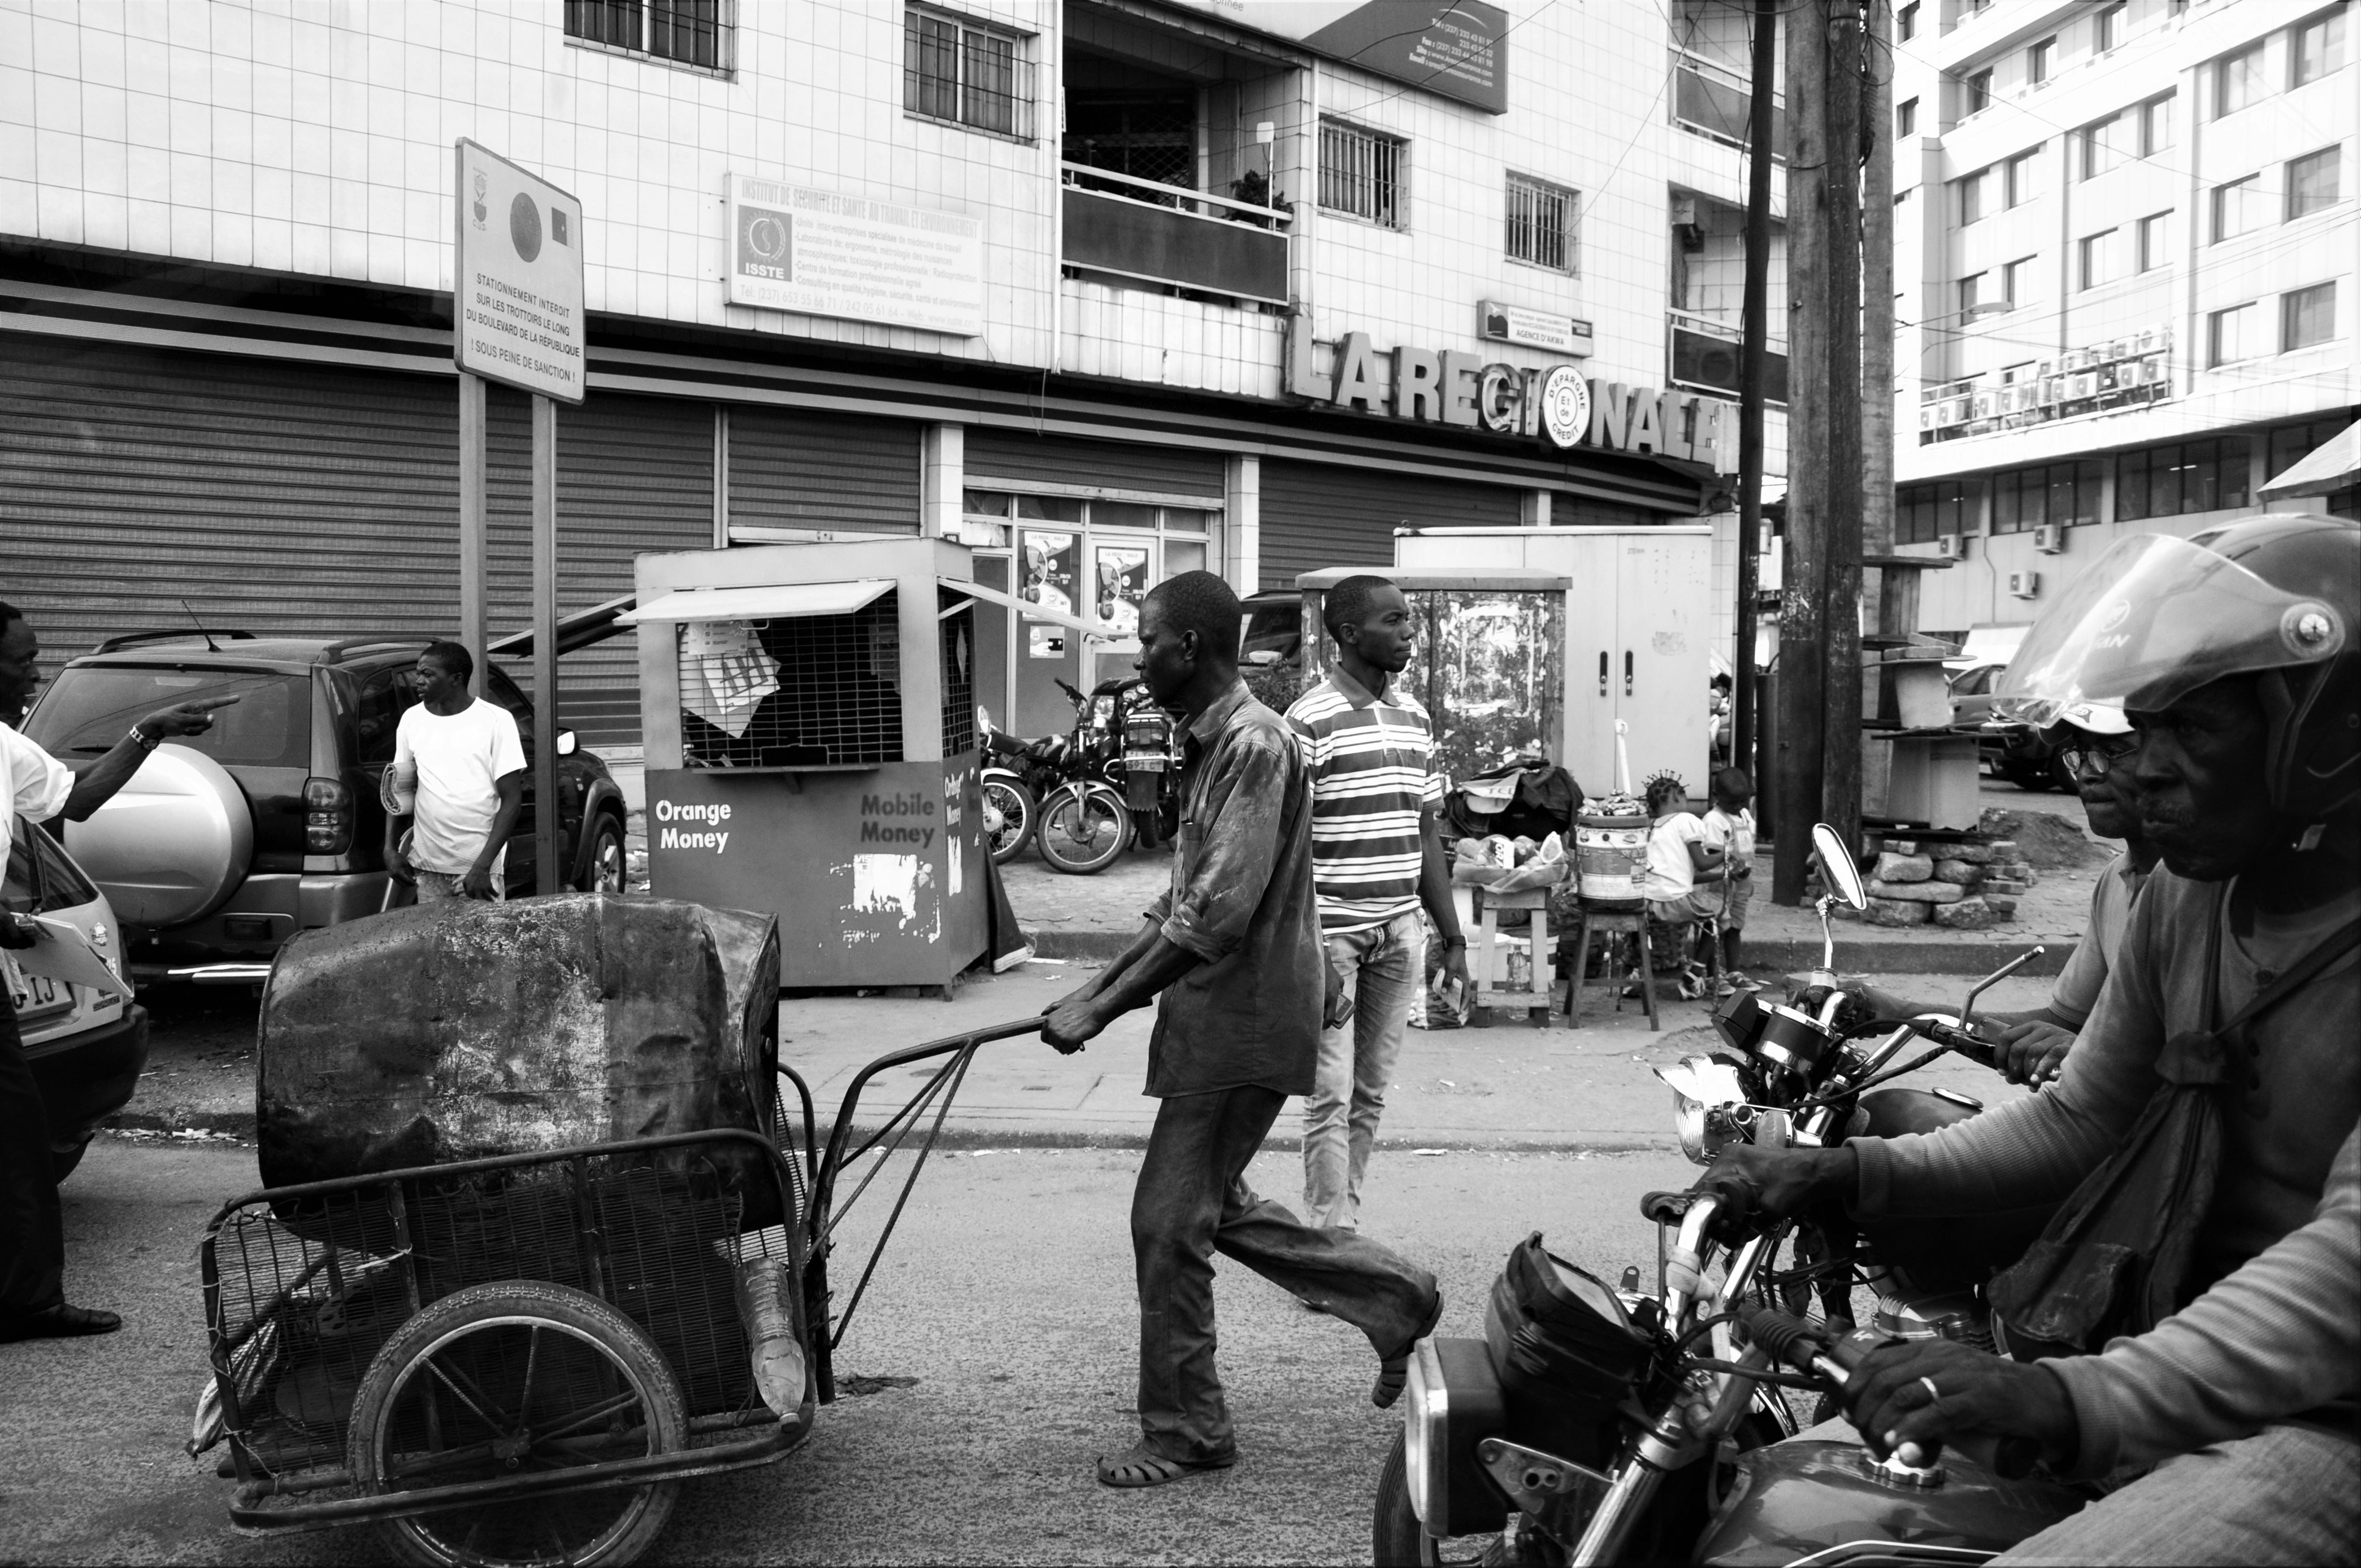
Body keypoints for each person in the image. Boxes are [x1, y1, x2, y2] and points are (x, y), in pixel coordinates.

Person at [1696, 516, 2360, 1564]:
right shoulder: (2185, 899)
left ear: (2328, 731)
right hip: (2161, 1342)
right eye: (2143, 728)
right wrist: (1838, 1170)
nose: (2144, 771)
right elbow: (2080, 1116)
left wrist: (2067, 1397)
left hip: (2324, 1419)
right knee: (1799, 1509)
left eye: (2191, 728)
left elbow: (2345, 1266)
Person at [1040, 571, 1442, 1489]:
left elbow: (1214, 914)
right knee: (1210, 1206)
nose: (1139, 656)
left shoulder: (1255, 743)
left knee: (1165, 1222)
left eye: (1147, 640)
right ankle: (1392, 1294)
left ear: (1187, 646)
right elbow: (1178, 899)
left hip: (1244, 1015)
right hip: (1222, 1013)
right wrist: (1095, 987)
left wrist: (1101, 1007)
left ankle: (1187, 1428)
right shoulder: (1217, 740)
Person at [1, 600, 237, 1341]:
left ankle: (27, 1300)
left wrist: (148, 732)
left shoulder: (5, 747)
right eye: (22, 660)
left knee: (17, 1136)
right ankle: (26, 1302)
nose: (33, 673)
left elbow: (77, 798)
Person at [1284, 575, 1470, 1233]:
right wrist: (1310, 951)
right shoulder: (1307, 721)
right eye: (1392, 621)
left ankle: (1344, 1225)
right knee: (1328, 1095)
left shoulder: (1415, 718)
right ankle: (1327, 1235)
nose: (1408, 632)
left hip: (1399, 932)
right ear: (1347, 634)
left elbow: (1425, 832)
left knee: (1368, 1093)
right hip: (1331, 937)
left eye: (1408, 620)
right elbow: (1286, 848)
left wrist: (1453, 937)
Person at [1865, 701, 2159, 1085]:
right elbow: (2063, 1022)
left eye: (2112, 752)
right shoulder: (2114, 881)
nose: (2088, 773)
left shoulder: (2206, 894)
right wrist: (1905, 1013)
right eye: (2081, 756)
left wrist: (2089, 1053)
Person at [385, 641, 524, 903]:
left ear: (456, 679)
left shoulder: (496, 721)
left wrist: (483, 866)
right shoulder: (412, 720)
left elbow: (512, 801)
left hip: (477, 869)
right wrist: (390, 849)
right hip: (427, 866)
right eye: (418, 673)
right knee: (433, 933)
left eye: (428, 674)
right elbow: (399, 789)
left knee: (481, 932)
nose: (419, 681)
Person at [1640, 770, 1724, 994]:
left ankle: (1638, 970)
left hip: (1648, 903)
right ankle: (1696, 971)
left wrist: (1722, 874)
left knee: (1705, 904)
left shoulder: (1651, 828)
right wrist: (1726, 853)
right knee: (1721, 912)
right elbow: (1703, 863)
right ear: (1677, 797)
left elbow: (1684, 875)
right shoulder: (1686, 820)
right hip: (1675, 902)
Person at [1698, 765, 1758, 994]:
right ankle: (1713, 974)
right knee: (1716, 925)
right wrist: (1730, 869)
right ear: (1717, 796)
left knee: (1735, 925)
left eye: (1742, 801)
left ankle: (1734, 972)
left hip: (1742, 880)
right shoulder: (1714, 820)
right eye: (1733, 802)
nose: (1738, 806)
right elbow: (1714, 856)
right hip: (1721, 881)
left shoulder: (1744, 815)